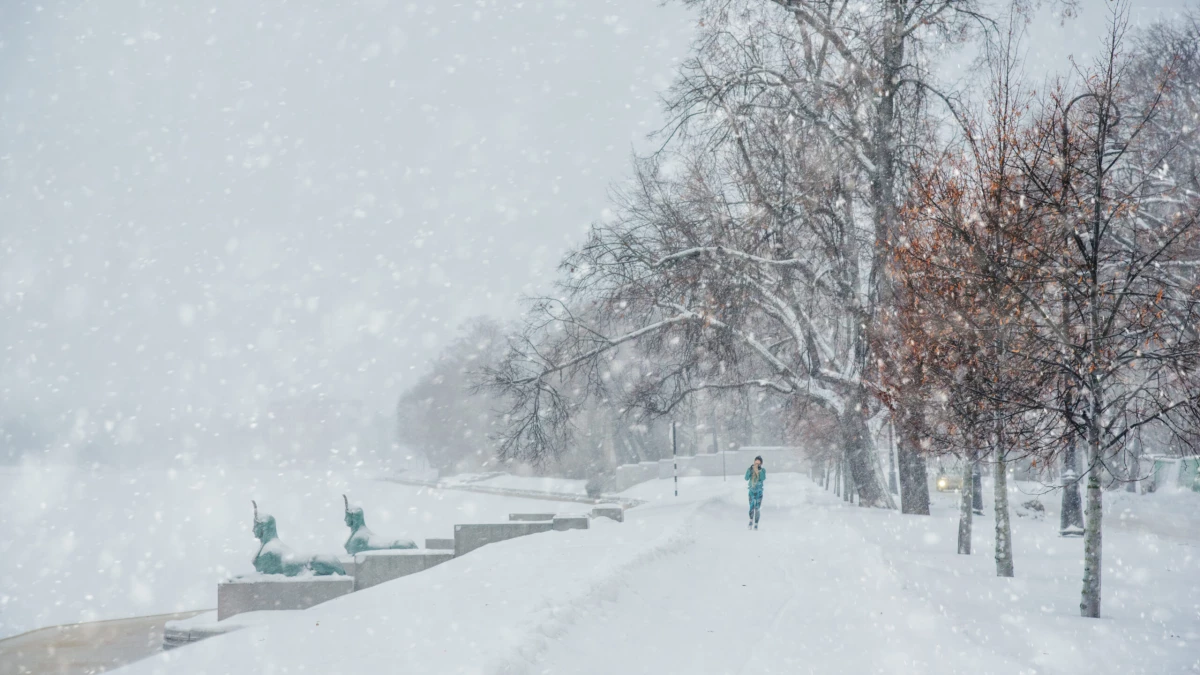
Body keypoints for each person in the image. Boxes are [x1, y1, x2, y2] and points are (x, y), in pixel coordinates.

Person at [744, 456, 766, 529]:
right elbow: (746, 478)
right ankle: (750, 521)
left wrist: (759, 471)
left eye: (758, 462)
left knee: (757, 508)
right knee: (751, 507)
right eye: (755, 462)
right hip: (751, 491)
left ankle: (756, 524)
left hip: (759, 492)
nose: (756, 464)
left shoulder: (762, 470)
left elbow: (763, 478)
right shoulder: (750, 469)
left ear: (761, 463)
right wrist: (749, 470)